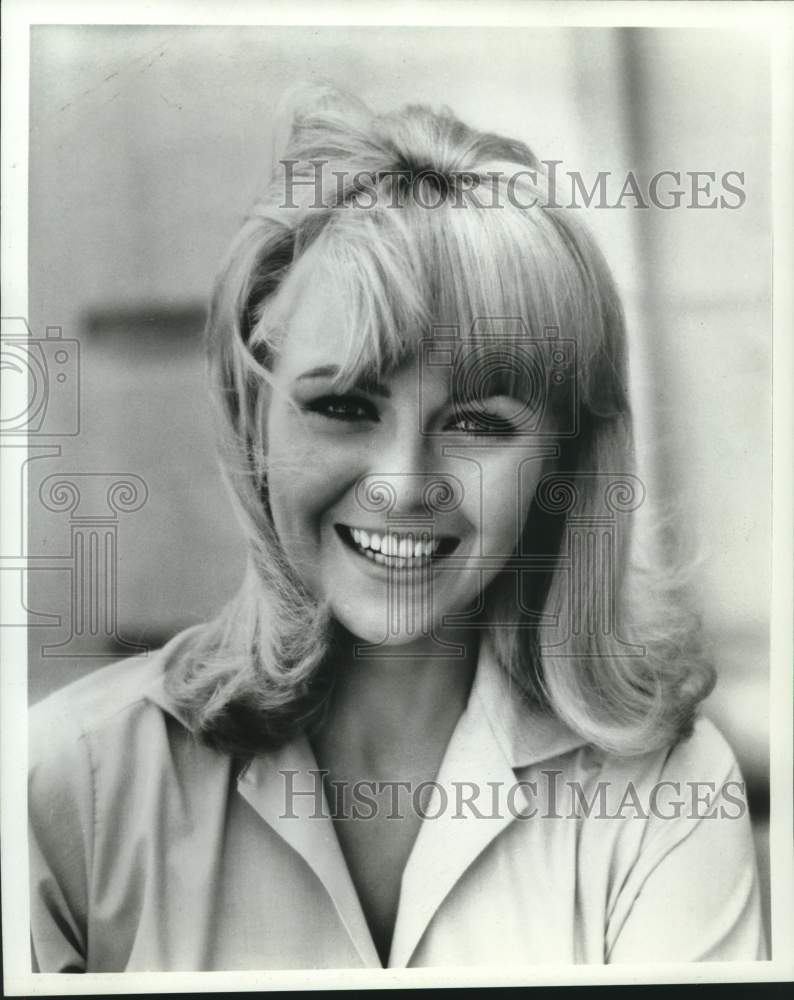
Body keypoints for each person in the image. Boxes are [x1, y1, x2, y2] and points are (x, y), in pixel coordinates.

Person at [28, 85, 767, 972]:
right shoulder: (65, 785)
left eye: (481, 423)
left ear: (563, 463)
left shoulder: (666, 795)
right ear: (252, 418)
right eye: (342, 405)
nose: (402, 486)